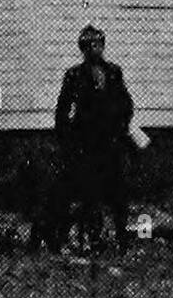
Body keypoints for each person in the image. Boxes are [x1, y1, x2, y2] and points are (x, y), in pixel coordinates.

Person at [52, 24, 135, 252]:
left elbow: (126, 103)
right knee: (91, 193)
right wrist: (68, 139)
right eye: (89, 46)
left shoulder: (114, 72)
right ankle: (93, 238)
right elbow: (62, 110)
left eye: (98, 44)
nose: (94, 49)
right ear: (83, 50)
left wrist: (121, 127)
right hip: (87, 144)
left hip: (112, 141)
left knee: (119, 191)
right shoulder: (74, 75)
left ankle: (122, 236)